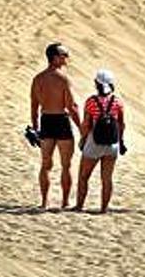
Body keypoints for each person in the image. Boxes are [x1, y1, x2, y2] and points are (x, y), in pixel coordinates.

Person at [29, 43, 82, 209]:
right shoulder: (63, 79)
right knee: (66, 165)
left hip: (46, 121)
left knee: (46, 164)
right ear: (55, 57)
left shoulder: (38, 79)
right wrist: (82, 129)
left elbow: (34, 105)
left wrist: (36, 127)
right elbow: (71, 106)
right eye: (64, 55)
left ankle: (44, 202)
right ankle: (65, 201)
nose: (67, 58)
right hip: (61, 120)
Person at [74, 69, 126, 213]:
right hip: (112, 144)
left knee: (83, 176)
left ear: (96, 84)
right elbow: (122, 124)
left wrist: (83, 140)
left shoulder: (91, 102)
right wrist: (121, 142)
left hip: (94, 143)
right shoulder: (117, 102)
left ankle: (79, 206)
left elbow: (86, 124)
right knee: (107, 178)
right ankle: (104, 208)